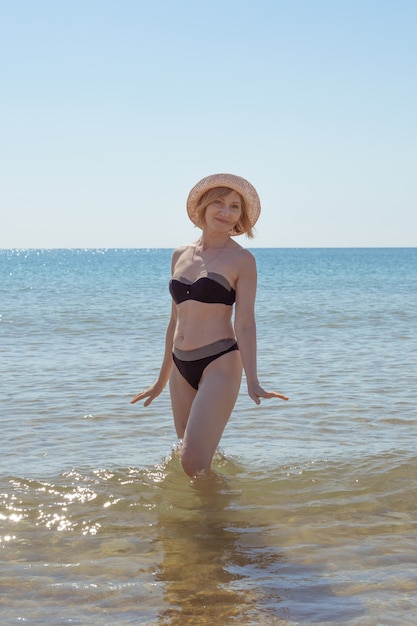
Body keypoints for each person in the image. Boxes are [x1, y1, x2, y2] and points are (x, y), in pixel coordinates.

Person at [131, 173, 288, 477]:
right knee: (191, 457)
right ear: (202, 207)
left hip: (220, 361)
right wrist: (161, 379)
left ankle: (225, 521)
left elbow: (245, 323)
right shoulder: (180, 254)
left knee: (192, 461)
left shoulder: (242, 260)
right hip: (181, 365)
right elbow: (174, 320)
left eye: (234, 207)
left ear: (241, 218)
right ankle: (205, 520)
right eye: (218, 202)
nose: (225, 212)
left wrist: (253, 380)